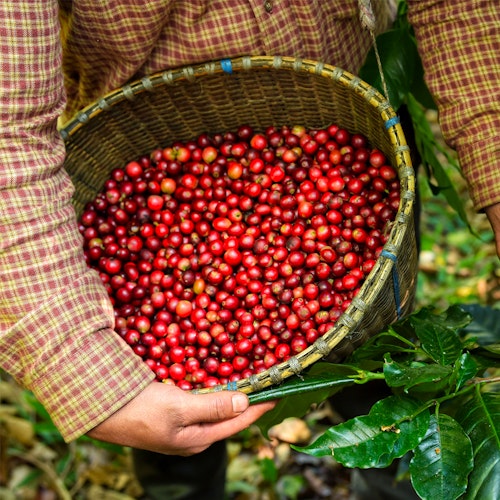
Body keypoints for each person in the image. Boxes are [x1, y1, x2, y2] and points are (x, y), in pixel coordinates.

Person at [1, 0, 498, 498]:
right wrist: (87, 373)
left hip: (355, 99)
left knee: (385, 379)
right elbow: (9, 130)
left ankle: (394, 474)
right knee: (170, 437)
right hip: (138, 118)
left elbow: (465, 10)